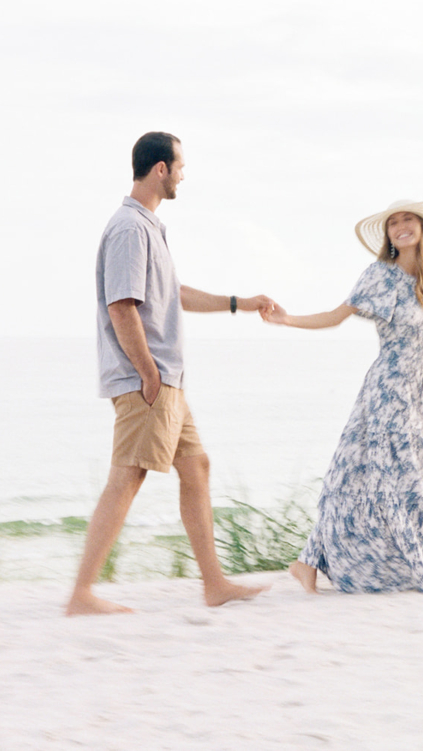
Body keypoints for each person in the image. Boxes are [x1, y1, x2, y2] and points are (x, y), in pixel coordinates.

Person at [66, 131, 274, 615]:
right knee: (127, 478)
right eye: (180, 165)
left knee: (195, 467)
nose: (183, 174)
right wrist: (148, 374)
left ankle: (214, 584)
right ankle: (81, 594)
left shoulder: (150, 228)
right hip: (150, 380)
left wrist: (241, 304)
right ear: (160, 168)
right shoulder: (129, 229)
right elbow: (122, 306)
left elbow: (173, 293)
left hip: (167, 381)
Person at [262, 200, 423, 593]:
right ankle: (312, 562)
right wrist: (287, 319)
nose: (400, 226)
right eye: (393, 223)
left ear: (422, 229)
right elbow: (336, 315)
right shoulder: (379, 275)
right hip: (385, 392)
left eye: (407, 219)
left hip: (413, 395)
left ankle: (308, 562)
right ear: (389, 236)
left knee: (366, 476)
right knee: (378, 478)